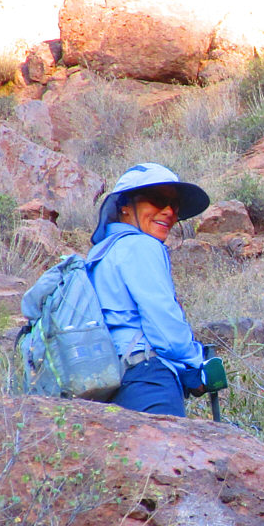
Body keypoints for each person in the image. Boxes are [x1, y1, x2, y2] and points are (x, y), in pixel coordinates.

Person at [88, 162, 210, 417]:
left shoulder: (99, 254)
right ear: (125, 206)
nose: (169, 212)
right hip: (148, 382)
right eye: (157, 199)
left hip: (105, 385)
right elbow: (166, 330)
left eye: (174, 206)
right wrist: (198, 363)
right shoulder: (142, 246)